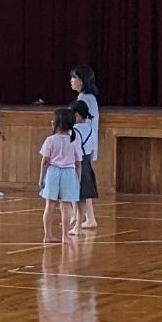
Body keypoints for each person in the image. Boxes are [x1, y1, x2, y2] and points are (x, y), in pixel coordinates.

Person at [38, 108, 82, 242]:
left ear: (55, 124)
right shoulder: (74, 140)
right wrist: (78, 181)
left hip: (53, 172)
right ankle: (65, 236)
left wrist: (41, 178)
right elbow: (78, 163)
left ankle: (47, 235)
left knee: (49, 206)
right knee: (66, 206)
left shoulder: (50, 140)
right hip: (69, 173)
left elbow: (45, 161)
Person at [69, 66, 102, 229]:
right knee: (83, 182)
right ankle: (85, 217)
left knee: (81, 182)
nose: (71, 81)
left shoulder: (84, 99)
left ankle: (84, 217)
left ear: (82, 80)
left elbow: (84, 125)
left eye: (74, 78)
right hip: (86, 146)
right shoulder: (88, 97)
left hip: (81, 148)